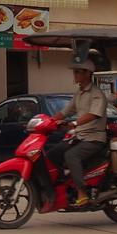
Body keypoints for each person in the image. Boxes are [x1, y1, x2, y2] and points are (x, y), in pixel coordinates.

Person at [48, 58, 109, 207]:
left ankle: (82, 192)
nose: (74, 75)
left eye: (77, 72)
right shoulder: (79, 93)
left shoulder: (96, 93)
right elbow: (66, 111)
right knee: (54, 153)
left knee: (71, 155)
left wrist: (74, 123)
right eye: (74, 72)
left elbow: (94, 114)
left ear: (88, 73)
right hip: (80, 136)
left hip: (94, 138)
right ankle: (64, 185)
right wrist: (47, 121)